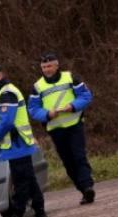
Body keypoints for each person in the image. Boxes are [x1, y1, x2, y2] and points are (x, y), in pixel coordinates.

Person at [0, 65, 48, 217]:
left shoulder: (6, 93)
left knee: (21, 181)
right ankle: (40, 213)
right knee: (29, 179)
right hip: (17, 144)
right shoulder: (2, 93)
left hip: (17, 143)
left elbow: (6, 121)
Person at [28, 52, 95, 205]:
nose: (47, 69)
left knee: (79, 156)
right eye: (44, 67)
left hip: (74, 124)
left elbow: (86, 96)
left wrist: (72, 106)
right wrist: (47, 114)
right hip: (55, 129)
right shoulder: (37, 87)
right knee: (68, 161)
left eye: (49, 66)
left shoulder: (70, 78)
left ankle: (87, 186)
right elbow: (33, 109)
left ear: (57, 65)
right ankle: (82, 189)